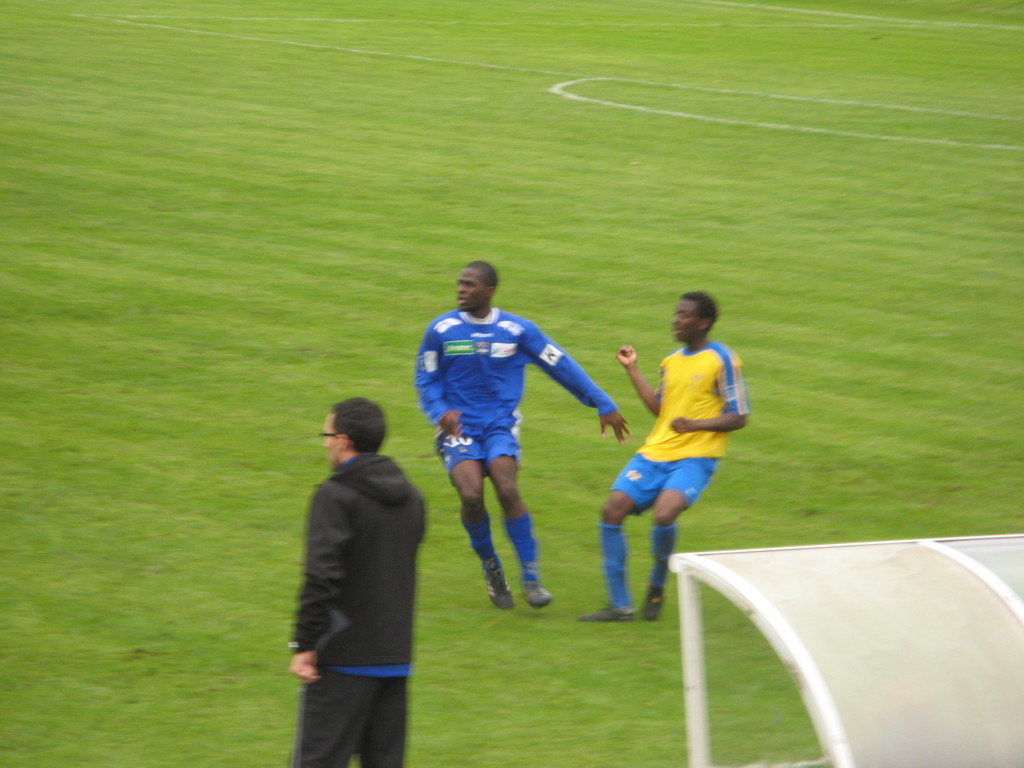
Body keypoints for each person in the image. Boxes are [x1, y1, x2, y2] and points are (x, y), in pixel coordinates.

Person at [415, 260, 629, 610]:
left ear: (489, 291)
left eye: (469, 284)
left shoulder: (517, 330)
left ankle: (531, 579)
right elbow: (426, 378)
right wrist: (440, 413)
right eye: (459, 283)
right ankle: (491, 566)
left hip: (499, 424)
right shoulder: (440, 331)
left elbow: (560, 364)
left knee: (507, 486)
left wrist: (601, 402)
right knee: (471, 495)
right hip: (459, 427)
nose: (461, 289)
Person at [578, 291, 749, 622]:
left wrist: (696, 424)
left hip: (697, 456)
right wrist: (632, 370)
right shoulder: (671, 362)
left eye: (684, 315)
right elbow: (661, 409)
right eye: (676, 314)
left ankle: (657, 584)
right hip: (656, 452)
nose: (676, 320)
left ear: (703, 322)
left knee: (664, 513)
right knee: (611, 510)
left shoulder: (723, 359)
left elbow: (739, 416)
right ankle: (620, 606)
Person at [289, 398, 426, 768]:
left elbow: (321, 576)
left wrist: (304, 643)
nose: (324, 443)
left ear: (344, 440)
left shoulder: (334, 496)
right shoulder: (413, 499)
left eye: (327, 435)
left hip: (342, 660)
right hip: (395, 659)